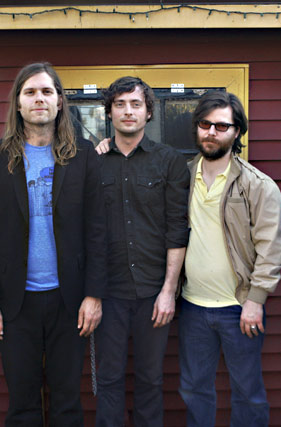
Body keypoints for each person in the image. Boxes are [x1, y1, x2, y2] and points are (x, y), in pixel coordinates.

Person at [0, 62, 107, 426]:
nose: (39, 99)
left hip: (69, 301)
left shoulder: (82, 157)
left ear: (60, 102)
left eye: (47, 92)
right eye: (30, 92)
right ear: (18, 103)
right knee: (23, 404)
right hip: (15, 304)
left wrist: (93, 295)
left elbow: (96, 231)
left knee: (67, 403)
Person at [178, 90, 281, 426]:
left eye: (221, 126)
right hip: (192, 306)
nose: (211, 132)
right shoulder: (181, 178)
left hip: (239, 307)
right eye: (205, 124)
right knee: (195, 389)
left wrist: (255, 301)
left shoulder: (258, 186)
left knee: (247, 391)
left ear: (237, 131)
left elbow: (272, 250)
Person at [94, 76, 189, 426]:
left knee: (150, 380)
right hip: (107, 292)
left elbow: (177, 229)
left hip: (153, 292)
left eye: (136, 104)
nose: (128, 111)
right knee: (108, 379)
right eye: (119, 104)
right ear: (110, 113)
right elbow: (87, 230)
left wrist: (168, 291)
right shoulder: (94, 162)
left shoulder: (169, 162)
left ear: (149, 112)